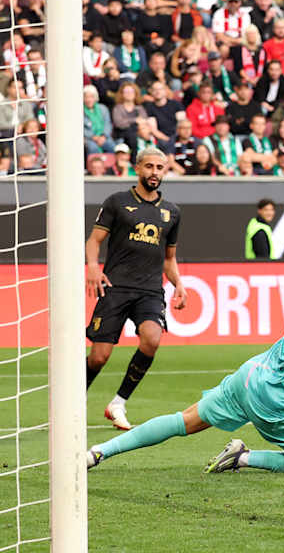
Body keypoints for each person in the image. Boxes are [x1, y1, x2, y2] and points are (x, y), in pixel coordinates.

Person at [87, 188, 284, 474]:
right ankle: (244, 458)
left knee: (183, 421)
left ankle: (99, 452)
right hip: (276, 400)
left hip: (251, 374)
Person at [85, 148, 186, 431]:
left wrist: (179, 283)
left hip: (150, 291)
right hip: (115, 288)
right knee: (99, 357)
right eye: (149, 166)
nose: (155, 172)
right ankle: (74, 400)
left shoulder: (172, 212)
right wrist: (93, 266)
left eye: (160, 167)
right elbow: (94, 240)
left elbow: (169, 259)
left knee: (152, 338)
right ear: (138, 168)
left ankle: (118, 403)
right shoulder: (117, 202)